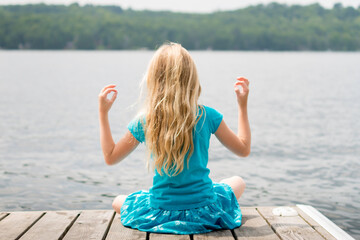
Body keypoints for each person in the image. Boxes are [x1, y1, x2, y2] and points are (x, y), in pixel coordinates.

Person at [98, 42, 251, 234]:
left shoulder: (146, 121)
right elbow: (243, 149)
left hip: (160, 211)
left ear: (154, 79)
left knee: (118, 201)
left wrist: (103, 113)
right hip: (203, 211)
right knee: (238, 182)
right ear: (191, 79)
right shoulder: (208, 116)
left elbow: (110, 157)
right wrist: (242, 105)